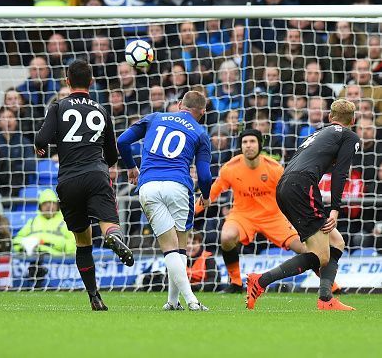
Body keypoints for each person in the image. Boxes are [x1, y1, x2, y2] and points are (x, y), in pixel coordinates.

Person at [35, 59, 134, 311]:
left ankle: (94, 296)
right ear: (91, 82)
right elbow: (112, 155)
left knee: (82, 241)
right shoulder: (101, 110)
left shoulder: (58, 106)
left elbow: (42, 138)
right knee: (109, 224)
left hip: (68, 180)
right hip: (96, 175)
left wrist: (42, 146)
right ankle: (113, 237)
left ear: (67, 81)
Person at [246, 99, 360, 311]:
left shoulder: (317, 134)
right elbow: (340, 173)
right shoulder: (349, 136)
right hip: (302, 185)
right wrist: (335, 209)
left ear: (329, 117)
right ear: (353, 120)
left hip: (284, 185)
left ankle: (326, 298)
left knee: (337, 241)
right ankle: (261, 280)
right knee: (321, 256)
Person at [196, 129, 338, 293]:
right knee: (226, 237)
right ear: (240, 146)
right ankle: (235, 283)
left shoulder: (274, 168)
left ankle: (332, 287)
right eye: (245, 142)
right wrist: (193, 212)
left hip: (273, 216)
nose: (248, 146)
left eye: (252, 142)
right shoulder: (230, 168)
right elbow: (212, 193)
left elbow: (290, 191)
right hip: (242, 216)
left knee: (306, 249)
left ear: (259, 145)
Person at [117, 90, 212, 312]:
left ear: (180, 104)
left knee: (171, 250)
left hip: (148, 186)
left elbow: (122, 141)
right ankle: (192, 301)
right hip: (178, 186)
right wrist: (206, 196)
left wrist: (131, 167)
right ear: (203, 111)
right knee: (179, 247)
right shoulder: (200, 132)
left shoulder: (154, 118)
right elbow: (205, 175)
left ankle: (172, 301)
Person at [13, 189, 76, 256]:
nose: (49, 206)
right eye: (45, 203)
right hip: (32, 257)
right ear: (40, 207)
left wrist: (48, 242)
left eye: (52, 203)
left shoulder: (65, 222)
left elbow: (74, 245)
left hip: (56, 261)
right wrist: (24, 245)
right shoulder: (32, 222)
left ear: (57, 206)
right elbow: (16, 241)